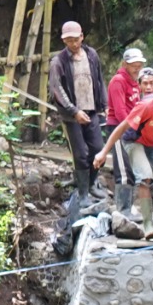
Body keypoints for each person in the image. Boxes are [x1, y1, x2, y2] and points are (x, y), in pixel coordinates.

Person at [95, 73, 153, 237]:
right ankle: (148, 226)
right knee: (145, 177)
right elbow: (122, 127)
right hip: (133, 141)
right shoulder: (146, 105)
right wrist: (103, 152)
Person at [47, 23, 107, 198]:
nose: (73, 44)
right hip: (72, 116)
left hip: (92, 111)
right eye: (69, 41)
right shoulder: (58, 62)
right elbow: (56, 89)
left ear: (82, 37)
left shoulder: (91, 55)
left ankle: (91, 183)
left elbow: (99, 80)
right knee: (80, 154)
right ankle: (82, 193)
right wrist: (73, 111)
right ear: (64, 40)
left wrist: (105, 105)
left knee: (98, 149)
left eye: (76, 39)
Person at [107, 47, 152, 207]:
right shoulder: (118, 81)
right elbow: (120, 112)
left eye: (140, 64)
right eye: (134, 65)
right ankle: (123, 209)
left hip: (132, 130)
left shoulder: (135, 81)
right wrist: (132, 129)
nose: (137, 68)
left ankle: (130, 207)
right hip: (119, 129)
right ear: (125, 64)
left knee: (133, 169)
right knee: (123, 170)